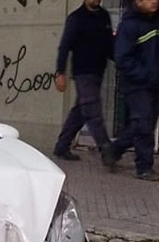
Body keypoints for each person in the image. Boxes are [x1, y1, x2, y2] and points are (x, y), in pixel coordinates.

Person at [101, 0, 159, 181]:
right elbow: (122, 58)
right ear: (137, 2)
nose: (153, 1)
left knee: (144, 125)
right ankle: (144, 167)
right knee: (143, 123)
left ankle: (114, 149)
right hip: (136, 84)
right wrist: (145, 74)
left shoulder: (158, 23)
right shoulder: (129, 25)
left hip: (153, 83)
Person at [52, 0, 115, 161]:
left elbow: (109, 45)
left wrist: (122, 62)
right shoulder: (76, 18)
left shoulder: (104, 16)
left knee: (81, 110)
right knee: (93, 110)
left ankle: (62, 146)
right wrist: (60, 72)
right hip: (83, 72)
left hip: (98, 71)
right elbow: (64, 46)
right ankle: (106, 149)